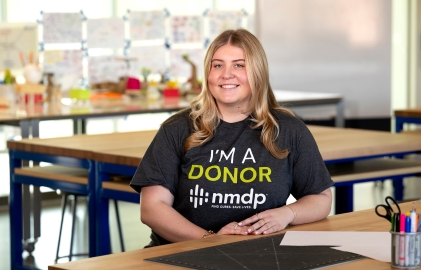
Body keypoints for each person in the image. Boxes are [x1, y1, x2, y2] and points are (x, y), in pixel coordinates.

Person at [130, 28, 333, 247]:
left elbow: (320, 199)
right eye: (217, 65)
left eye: (239, 65)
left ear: (258, 71)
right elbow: (152, 208)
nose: (226, 74)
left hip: (260, 255)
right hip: (183, 253)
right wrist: (210, 240)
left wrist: (288, 213)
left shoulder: (288, 130)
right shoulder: (177, 128)